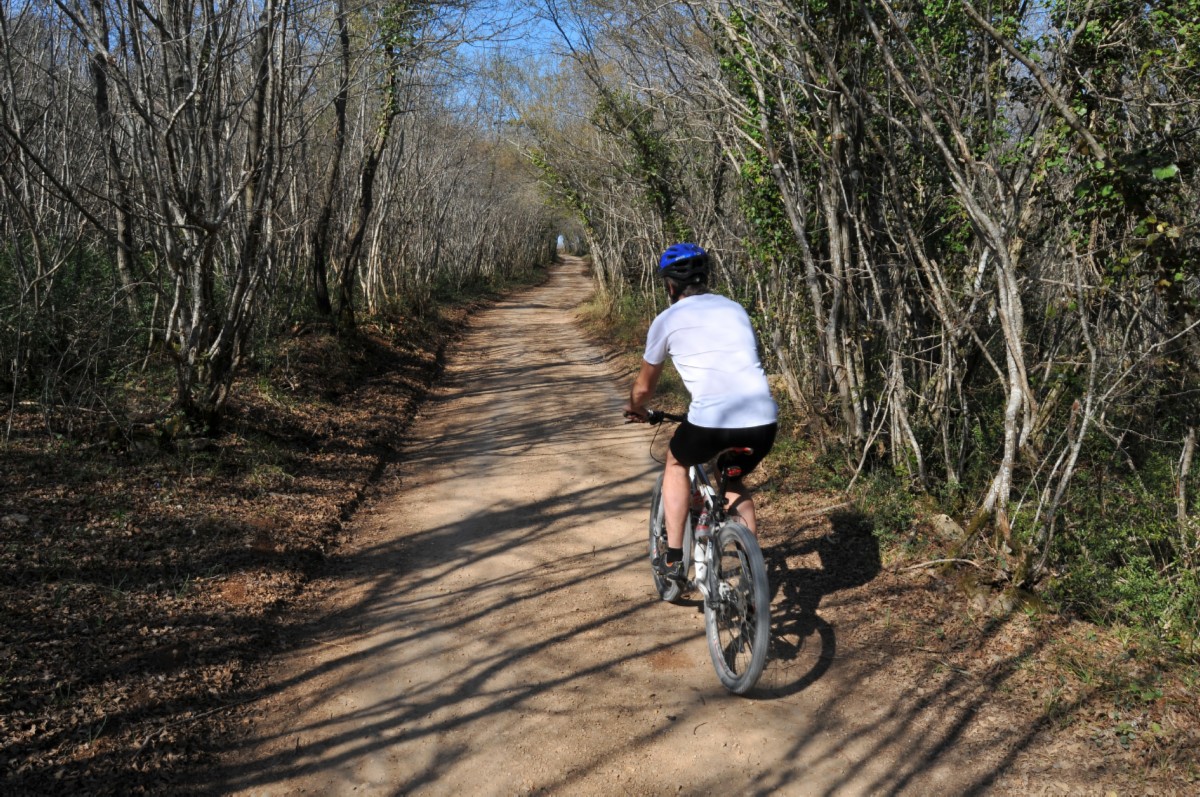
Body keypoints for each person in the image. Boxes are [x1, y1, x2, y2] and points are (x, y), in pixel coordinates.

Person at [623, 243, 778, 581]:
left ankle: (673, 558)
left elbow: (644, 388)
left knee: (676, 463)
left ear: (670, 286)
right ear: (705, 277)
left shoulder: (667, 320)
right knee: (732, 478)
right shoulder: (735, 309)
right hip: (763, 420)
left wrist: (636, 408)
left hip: (712, 421)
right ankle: (752, 575)